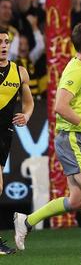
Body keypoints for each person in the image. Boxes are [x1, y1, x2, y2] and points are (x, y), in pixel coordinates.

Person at [14, 23, 81, 262]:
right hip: (73, 139)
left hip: (75, 138)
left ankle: (26, 221)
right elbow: (60, 106)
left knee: (78, 200)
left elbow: (72, 107)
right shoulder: (77, 70)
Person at [0, 29, 34, 255]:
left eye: (6, 41)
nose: (3, 45)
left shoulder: (19, 72)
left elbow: (29, 103)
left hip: (5, 136)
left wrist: (27, 115)